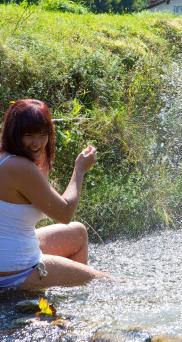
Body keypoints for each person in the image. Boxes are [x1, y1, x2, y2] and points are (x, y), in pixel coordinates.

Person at [0, 99, 107, 290]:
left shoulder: (7, 159)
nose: (37, 143)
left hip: (11, 256)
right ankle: (65, 301)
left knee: (78, 233)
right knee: (105, 283)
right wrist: (80, 170)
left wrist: (40, 156)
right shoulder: (20, 168)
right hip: (15, 271)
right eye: (29, 134)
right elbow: (64, 212)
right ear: (14, 134)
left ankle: (67, 297)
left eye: (43, 134)